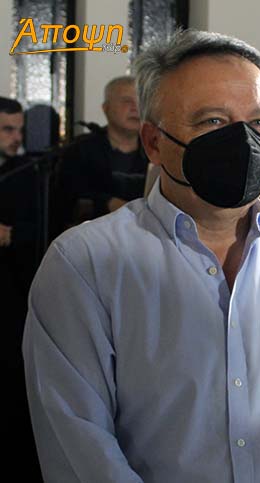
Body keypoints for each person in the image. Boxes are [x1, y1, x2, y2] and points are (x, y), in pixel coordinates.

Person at [23, 29, 260, 482]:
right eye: (212, 121)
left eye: (259, 122)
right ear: (154, 143)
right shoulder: (85, 264)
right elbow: (80, 443)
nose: (243, 140)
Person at [0, 96, 41, 481]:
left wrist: (11, 235)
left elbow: (44, 229)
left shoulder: (26, 173)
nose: (16, 138)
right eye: (7, 130)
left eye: (19, 130)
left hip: (12, 294)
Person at [57, 76, 149, 229]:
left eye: (140, 102)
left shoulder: (156, 150)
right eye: (127, 101)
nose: (135, 108)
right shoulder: (80, 149)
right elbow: (67, 198)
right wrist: (107, 203)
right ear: (106, 108)